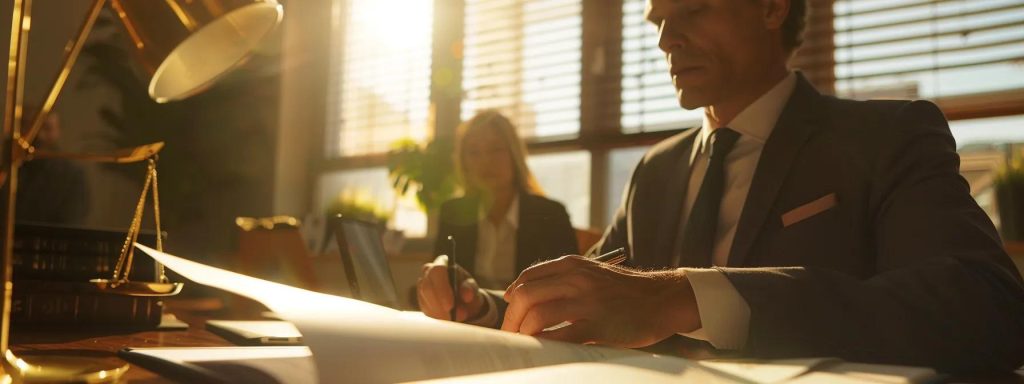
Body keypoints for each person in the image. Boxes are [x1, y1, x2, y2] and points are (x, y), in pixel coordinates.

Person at [421, 0, 1024, 374]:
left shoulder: (885, 136)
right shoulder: (655, 171)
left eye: (694, 11)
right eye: (660, 19)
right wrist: (490, 307)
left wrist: (683, 296)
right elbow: (594, 292)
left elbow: (987, 308)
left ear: (771, 7)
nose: (665, 39)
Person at [417, 110, 578, 322]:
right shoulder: (453, 212)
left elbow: (568, 291)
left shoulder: (550, 214)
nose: (485, 161)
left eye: (496, 149)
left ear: (514, 154)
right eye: (473, 152)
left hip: (531, 327)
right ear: (463, 163)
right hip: (468, 326)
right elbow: (440, 277)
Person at [15, 107, 89, 225]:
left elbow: (71, 223)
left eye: (47, 128)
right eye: (32, 127)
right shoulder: (9, 169)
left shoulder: (71, 176)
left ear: (58, 131)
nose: (39, 135)